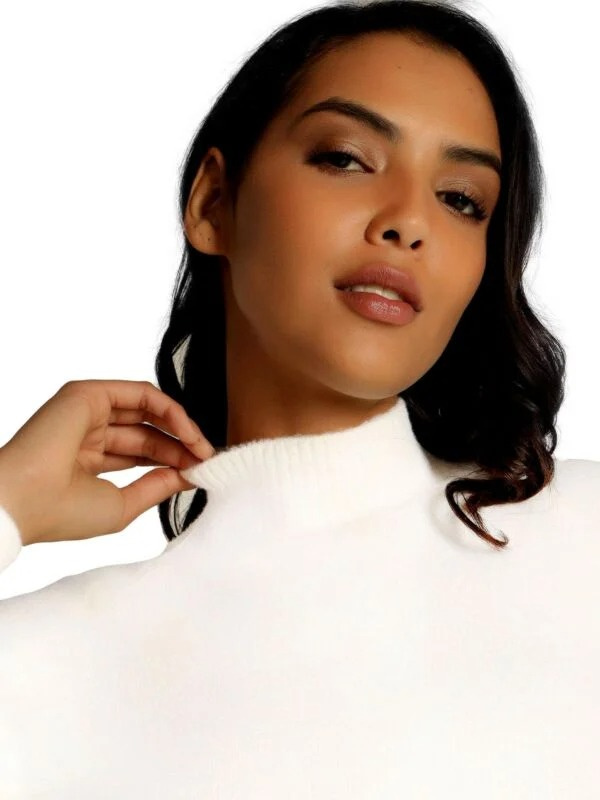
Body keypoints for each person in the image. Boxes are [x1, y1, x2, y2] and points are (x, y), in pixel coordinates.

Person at [0, 0, 598, 796]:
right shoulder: (48, 668)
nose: (409, 222)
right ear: (214, 203)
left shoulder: (584, 536)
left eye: (461, 199)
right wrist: (5, 502)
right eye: (346, 158)